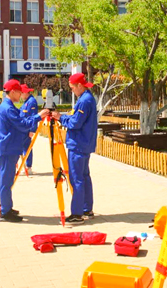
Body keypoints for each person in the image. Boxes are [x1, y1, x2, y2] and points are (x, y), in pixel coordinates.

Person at [0, 79, 49, 222]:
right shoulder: (8, 108)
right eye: (19, 92)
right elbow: (22, 124)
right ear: (13, 92)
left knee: (8, 180)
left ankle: (7, 206)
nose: (21, 95)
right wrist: (39, 116)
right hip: (8, 149)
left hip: (9, 147)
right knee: (6, 181)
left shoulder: (8, 106)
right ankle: (5, 211)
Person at [51, 73, 98, 225]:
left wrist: (60, 118)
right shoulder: (86, 98)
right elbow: (76, 117)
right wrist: (64, 116)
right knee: (84, 176)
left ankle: (77, 213)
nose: (71, 91)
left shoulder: (84, 101)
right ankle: (86, 208)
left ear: (79, 86)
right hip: (84, 143)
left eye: (72, 88)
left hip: (79, 144)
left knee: (77, 178)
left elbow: (75, 123)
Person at [19, 84, 38, 174]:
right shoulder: (26, 101)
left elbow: (33, 117)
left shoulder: (31, 102)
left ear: (25, 93)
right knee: (24, 148)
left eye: (21, 93)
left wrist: (32, 130)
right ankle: (26, 166)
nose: (20, 96)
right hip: (23, 128)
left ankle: (28, 166)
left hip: (27, 129)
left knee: (27, 148)